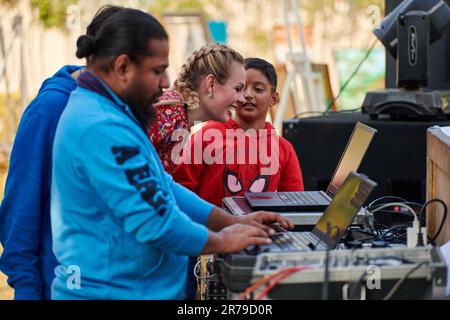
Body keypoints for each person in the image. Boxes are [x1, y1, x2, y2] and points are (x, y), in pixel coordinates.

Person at [51, 8, 293, 300]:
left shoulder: (116, 116)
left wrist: (234, 222)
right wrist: (222, 241)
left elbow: (164, 187)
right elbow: (156, 223)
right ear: (123, 67)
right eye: (157, 70)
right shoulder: (102, 128)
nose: (167, 81)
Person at [0, 5, 124, 300]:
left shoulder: (116, 109)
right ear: (121, 65)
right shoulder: (50, 111)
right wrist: (28, 290)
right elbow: (20, 213)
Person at [173, 57, 305, 207]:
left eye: (258, 89)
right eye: (241, 88)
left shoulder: (284, 150)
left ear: (273, 99)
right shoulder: (205, 136)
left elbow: (294, 206)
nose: (248, 94)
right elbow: (180, 193)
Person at [147, 42, 245, 174]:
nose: (242, 99)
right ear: (211, 84)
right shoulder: (171, 114)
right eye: (237, 89)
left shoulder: (179, 117)